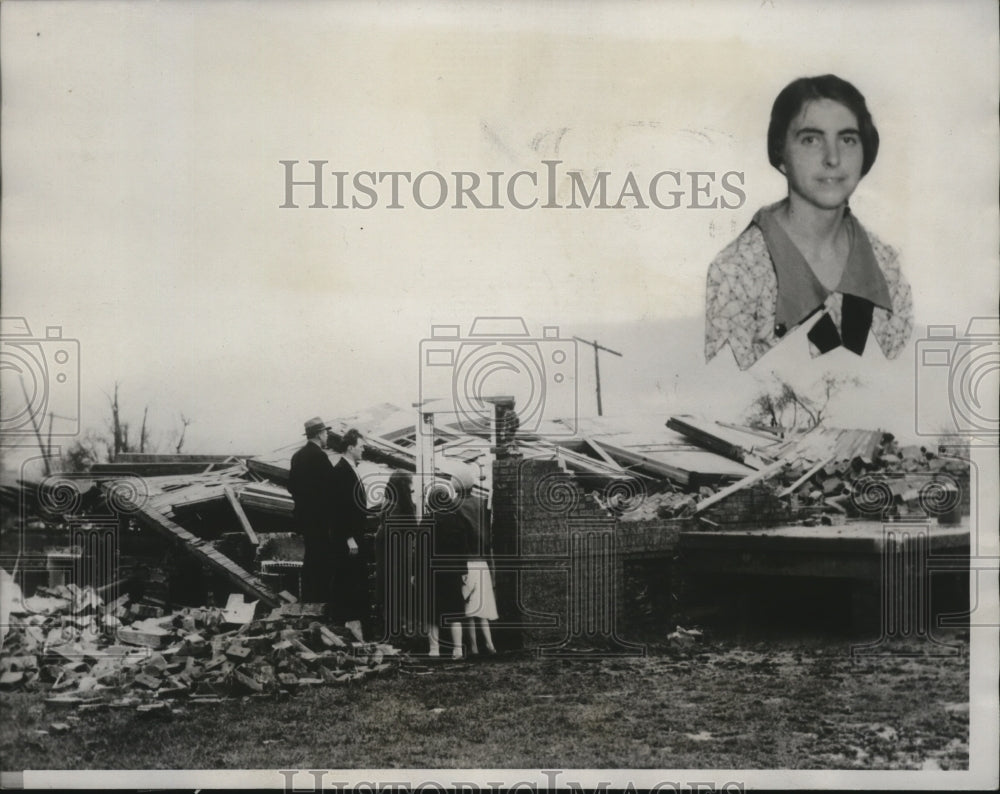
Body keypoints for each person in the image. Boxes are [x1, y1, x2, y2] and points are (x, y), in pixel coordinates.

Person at [705, 74, 913, 370]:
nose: (833, 158)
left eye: (848, 139)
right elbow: (727, 397)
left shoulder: (886, 267)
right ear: (781, 153)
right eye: (811, 139)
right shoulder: (737, 270)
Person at [287, 416, 336, 606]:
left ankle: (308, 600)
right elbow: (331, 487)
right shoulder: (319, 456)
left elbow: (292, 486)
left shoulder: (297, 456)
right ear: (319, 434)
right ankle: (320, 601)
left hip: (304, 518)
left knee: (311, 557)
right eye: (325, 433)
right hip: (321, 519)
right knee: (323, 559)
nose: (327, 437)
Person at [329, 428, 370, 642]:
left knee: (354, 581)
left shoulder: (350, 469)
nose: (363, 450)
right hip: (348, 540)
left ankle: (354, 628)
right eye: (361, 446)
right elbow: (337, 508)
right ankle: (349, 628)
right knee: (348, 581)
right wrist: (348, 537)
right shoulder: (340, 472)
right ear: (351, 447)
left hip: (354, 537)